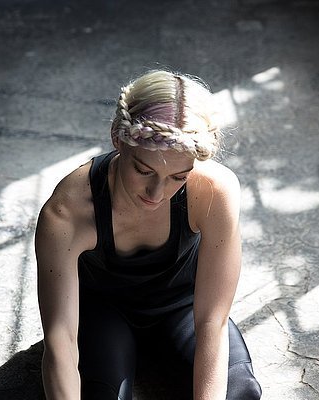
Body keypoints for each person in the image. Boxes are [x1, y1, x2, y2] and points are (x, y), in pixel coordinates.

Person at [35, 69, 262, 400]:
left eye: (178, 177)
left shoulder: (214, 191)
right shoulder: (67, 212)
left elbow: (212, 319)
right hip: (103, 313)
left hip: (182, 307)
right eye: (144, 170)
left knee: (239, 392)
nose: (157, 193)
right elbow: (60, 339)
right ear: (117, 137)